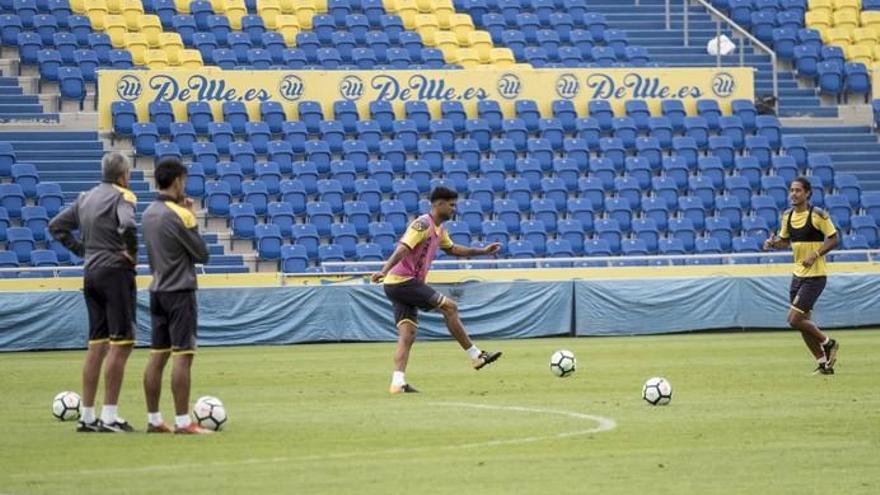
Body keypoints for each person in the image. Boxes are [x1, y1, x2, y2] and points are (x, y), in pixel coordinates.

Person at [371, 187, 503, 394]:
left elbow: (453, 249)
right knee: (450, 307)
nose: (454, 208)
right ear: (438, 204)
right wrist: (383, 270)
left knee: (407, 334)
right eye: (451, 204)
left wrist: (482, 251)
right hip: (402, 281)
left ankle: (397, 382)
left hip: (398, 284)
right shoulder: (422, 224)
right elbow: (403, 248)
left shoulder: (439, 230)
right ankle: (476, 355)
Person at [48, 152, 138, 432]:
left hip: (91, 274)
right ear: (123, 176)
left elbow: (56, 227)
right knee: (122, 343)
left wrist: (82, 251)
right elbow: (128, 225)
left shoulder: (84, 198)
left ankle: (87, 416)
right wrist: (131, 254)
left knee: (96, 344)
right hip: (115, 273)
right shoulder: (123, 196)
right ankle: (110, 416)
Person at [141, 158, 212, 434]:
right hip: (180, 291)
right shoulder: (179, 214)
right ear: (177, 180)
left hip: (157, 290)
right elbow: (202, 254)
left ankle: (154, 419)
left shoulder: (147, 213)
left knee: (157, 355)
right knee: (183, 356)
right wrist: (192, 218)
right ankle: (184, 422)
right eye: (185, 180)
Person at [764, 177, 840, 375]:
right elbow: (784, 241)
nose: (793, 194)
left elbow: (834, 239)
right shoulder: (787, 216)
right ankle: (824, 364)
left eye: (798, 190)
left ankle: (828, 342)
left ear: (807, 193)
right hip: (797, 275)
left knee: (794, 319)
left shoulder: (818, 215)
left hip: (815, 276)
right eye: (791, 190)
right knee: (803, 324)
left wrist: (815, 255)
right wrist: (773, 244)